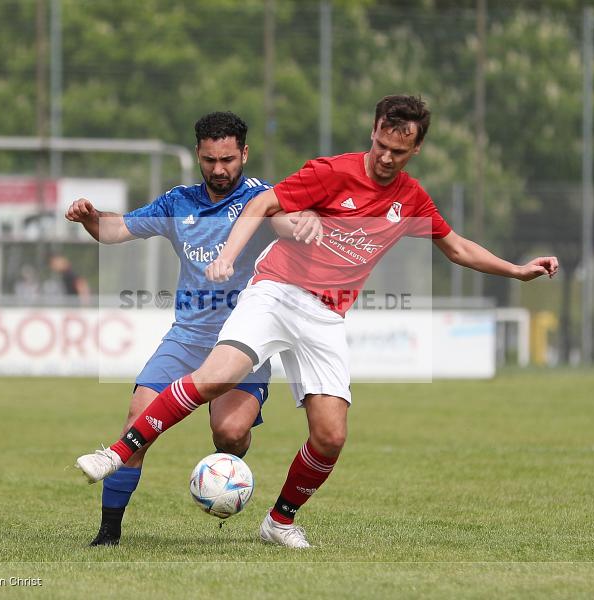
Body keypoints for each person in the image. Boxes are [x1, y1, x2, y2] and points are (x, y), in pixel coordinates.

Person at [75, 95, 559, 548]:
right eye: (382, 145)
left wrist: (516, 270)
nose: (388, 157)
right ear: (372, 132)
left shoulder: (411, 198)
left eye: (400, 151)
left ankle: (278, 522)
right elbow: (271, 209)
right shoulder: (332, 172)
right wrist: (231, 252)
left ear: (416, 147)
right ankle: (116, 455)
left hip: (325, 315)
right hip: (275, 292)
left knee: (329, 436)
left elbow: (456, 247)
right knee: (213, 377)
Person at [66, 111, 321, 546]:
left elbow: (284, 221)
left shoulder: (263, 198)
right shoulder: (177, 201)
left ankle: (231, 468)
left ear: (245, 152)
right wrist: (90, 217)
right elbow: (116, 229)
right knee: (137, 419)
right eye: (209, 160)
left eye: (227, 159)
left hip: (245, 342)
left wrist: (302, 222)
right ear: (198, 156)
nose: (219, 169)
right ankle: (108, 533)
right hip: (187, 338)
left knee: (230, 434)